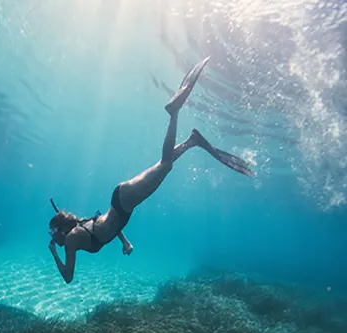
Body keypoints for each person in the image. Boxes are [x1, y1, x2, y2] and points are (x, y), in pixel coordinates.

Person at [48, 57, 253, 284]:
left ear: (59, 229)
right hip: (121, 200)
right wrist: (125, 242)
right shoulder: (78, 228)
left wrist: (54, 252)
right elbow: (106, 225)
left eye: (52, 232)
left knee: (165, 165)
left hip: (123, 203)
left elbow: (68, 277)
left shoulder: (71, 240)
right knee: (163, 166)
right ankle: (192, 141)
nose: (52, 237)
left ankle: (174, 112)